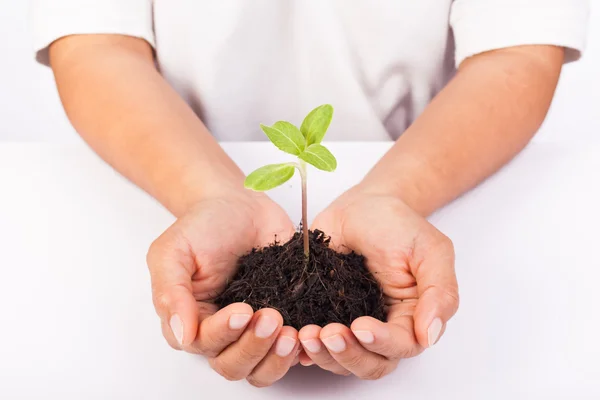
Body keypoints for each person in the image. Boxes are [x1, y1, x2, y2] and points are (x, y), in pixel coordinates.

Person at [33, 0, 589, 387]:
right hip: (179, 159)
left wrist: (395, 194)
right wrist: (210, 193)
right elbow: (93, 42)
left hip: (426, 160)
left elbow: (517, 50)